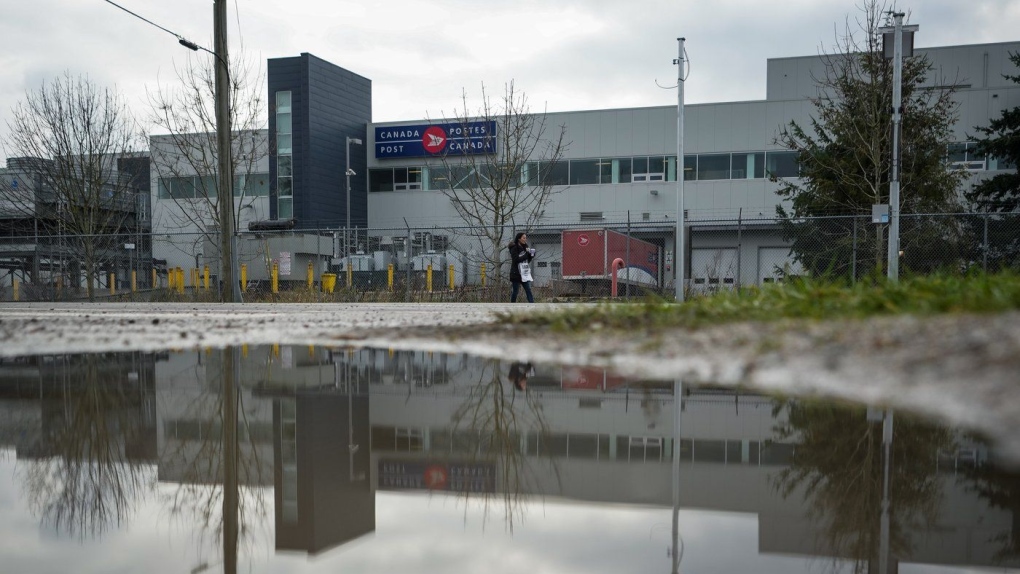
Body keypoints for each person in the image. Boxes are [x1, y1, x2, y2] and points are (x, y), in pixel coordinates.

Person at [508, 232, 536, 303]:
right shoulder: (514, 248)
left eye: (525, 238)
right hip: (516, 273)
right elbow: (516, 260)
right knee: (515, 291)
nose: (525, 239)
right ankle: (512, 305)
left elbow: (526, 261)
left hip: (525, 273)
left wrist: (531, 256)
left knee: (528, 289)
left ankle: (532, 304)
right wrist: (526, 254)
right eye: (524, 238)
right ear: (519, 239)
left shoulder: (525, 247)